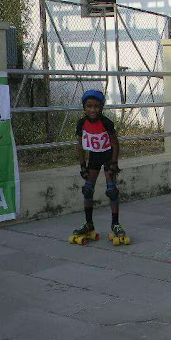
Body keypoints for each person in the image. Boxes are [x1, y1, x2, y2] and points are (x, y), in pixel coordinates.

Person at [71, 90, 126, 244]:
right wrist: (82, 166)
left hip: (108, 156)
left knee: (112, 191)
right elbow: (80, 146)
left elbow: (115, 144)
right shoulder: (81, 123)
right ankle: (89, 223)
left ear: (101, 107)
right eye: (89, 106)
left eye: (96, 106)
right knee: (88, 189)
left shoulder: (107, 123)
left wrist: (114, 163)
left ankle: (115, 224)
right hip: (94, 157)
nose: (92, 110)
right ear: (84, 107)